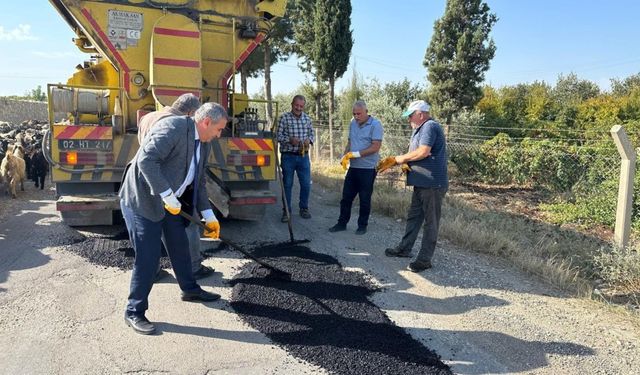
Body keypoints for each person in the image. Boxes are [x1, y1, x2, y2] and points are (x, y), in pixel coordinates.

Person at [119, 102, 227, 335]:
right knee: (148, 256)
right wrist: (167, 194)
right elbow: (146, 160)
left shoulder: (204, 143)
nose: (219, 135)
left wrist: (208, 216)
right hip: (143, 199)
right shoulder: (174, 128)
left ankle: (189, 289)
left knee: (180, 245)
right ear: (206, 122)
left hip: (170, 201)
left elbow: (197, 181)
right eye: (219, 129)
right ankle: (134, 311)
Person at [137, 93, 214, 280]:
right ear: (191, 112)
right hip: (169, 184)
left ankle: (152, 270)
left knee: (151, 230)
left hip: (148, 183)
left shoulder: (148, 117)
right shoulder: (177, 124)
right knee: (188, 225)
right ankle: (193, 266)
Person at [379, 100, 448, 272]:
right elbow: (418, 154)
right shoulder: (420, 129)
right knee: (414, 217)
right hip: (421, 182)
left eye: (410, 115)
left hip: (432, 183)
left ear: (420, 113)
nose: (408, 119)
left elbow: (423, 151)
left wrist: (398, 159)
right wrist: (406, 165)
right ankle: (404, 249)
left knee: (430, 222)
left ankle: (424, 260)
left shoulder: (429, 126)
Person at [329, 100, 383, 235]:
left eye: (359, 114)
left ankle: (362, 226)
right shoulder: (353, 123)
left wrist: (357, 154)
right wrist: (345, 155)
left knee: (365, 199)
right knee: (346, 197)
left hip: (368, 169)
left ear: (366, 112)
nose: (356, 116)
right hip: (353, 168)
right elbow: (350, 141)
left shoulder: (375, 125)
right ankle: (342, 223)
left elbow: (376, 146)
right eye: (354, 114)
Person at [277, 94, 314, 222]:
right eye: (296, 105)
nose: (298, 108)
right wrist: (289, 140)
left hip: (303, 157)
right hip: (288, 156)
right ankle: (287, 212)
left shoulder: (308, 119)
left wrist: (309, 140)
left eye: (301, 106)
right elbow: (278, 136)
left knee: (306, 184)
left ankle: (304, 208)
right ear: (292, 104)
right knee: (287, 185)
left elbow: (311, 134)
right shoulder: (284, 118)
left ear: (303, 106)